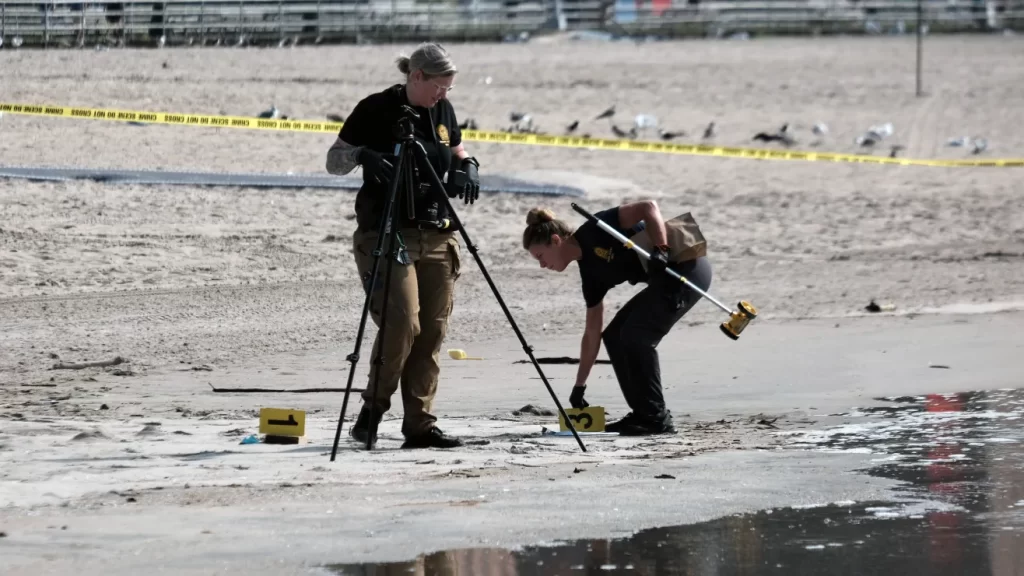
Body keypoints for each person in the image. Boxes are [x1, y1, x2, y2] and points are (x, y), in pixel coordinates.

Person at [325, 42, 481, 450]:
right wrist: (364, 156)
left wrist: (469, 167)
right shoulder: (375, 108)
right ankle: (371, 413)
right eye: (438, 87)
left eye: (448, 89)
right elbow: (333, 161)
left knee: (431, 332)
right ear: (416, 76)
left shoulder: (443, 111)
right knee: (402, 324)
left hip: (438, 233)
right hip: (386, 232)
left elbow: (456, 150)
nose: (442, 96)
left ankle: (420, 425)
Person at [521, 201, 712, 436]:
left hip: (687, 268)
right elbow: (592, 334)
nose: (541, 265)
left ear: (555, 241)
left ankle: (656, 418)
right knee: (614, 335)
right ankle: (643, 413)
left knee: (636, 335)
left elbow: (648, 207)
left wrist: (661, 249)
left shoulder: (596, 228)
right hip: (664, 282)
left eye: (540, 256)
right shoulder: (590, 275)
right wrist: (579, 386)